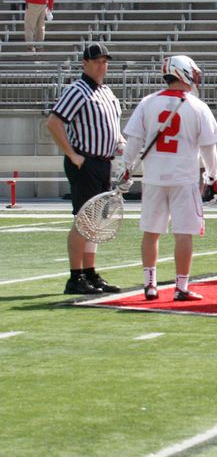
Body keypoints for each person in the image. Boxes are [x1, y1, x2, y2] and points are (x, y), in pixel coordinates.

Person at [117, 56, 217, 302]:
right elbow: (209, 148)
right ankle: (181, 286)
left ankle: (150, 284)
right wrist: (211, 176)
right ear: (183, 73)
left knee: (151, 232)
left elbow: (133, 141)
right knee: (183, 233)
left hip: (154, 177)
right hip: (183, 178)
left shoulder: (147, 102)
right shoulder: (197, 106)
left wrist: (126, 168)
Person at [46, 43, 124, 296]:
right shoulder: (77, 90)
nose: (102, 65)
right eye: (97, 61)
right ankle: (75, 276)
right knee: (83, 219)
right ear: (85, 63)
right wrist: (72, 154)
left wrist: (120, 143)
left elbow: (111, 127)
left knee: (95, 223)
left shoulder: (106, 91)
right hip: (86, 162)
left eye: (105, 61)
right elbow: (54, 122)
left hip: (103, 162)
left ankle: (90, 273)